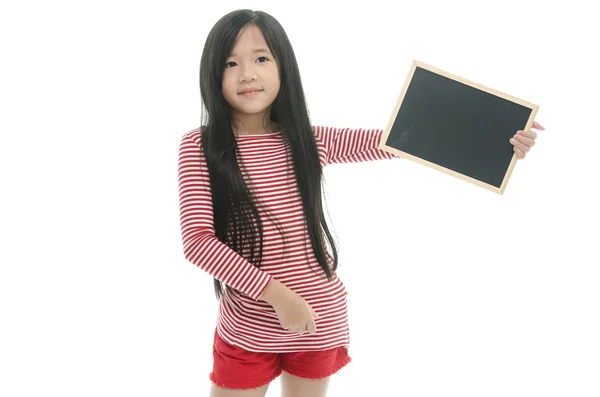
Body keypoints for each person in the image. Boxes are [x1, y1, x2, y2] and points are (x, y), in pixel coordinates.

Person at [177, 9, 545, 397]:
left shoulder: (309, 139)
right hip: (249, 326)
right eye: (230, 63)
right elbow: (198, 243)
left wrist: (502, 135)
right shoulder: (200, 147)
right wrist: (280, 297)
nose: (248, 73)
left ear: (284, 66)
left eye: (261, 58)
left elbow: (400, 139)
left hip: (319, 320)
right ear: (211, 74)